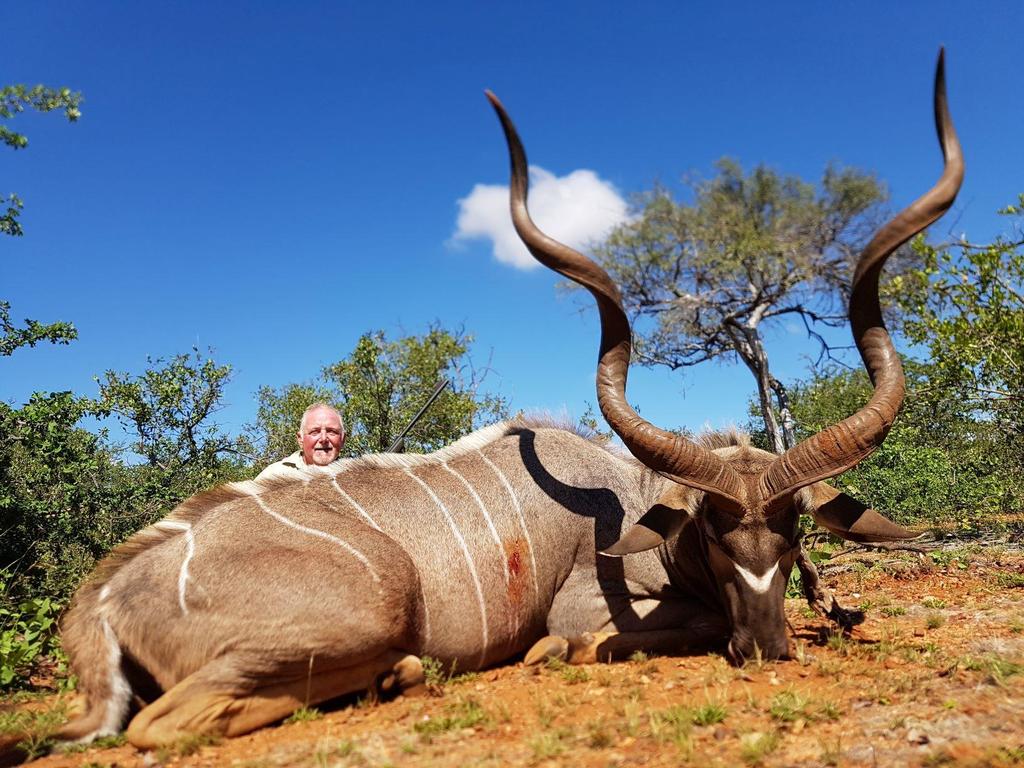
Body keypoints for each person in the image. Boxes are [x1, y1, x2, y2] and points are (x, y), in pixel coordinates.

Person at [255, 402, 345, 480]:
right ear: (300, 439)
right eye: (315, 432)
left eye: (332, 432)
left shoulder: (354, 478)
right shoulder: (274, 474)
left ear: (343, 440)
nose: (323, 439)